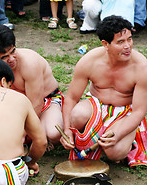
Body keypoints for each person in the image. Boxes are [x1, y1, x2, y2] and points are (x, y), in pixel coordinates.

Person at [61, 15, 147, 167]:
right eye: (120, 42)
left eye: (129, 39)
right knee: (77, 114)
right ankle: (85, 141)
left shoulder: (141, 67)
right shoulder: (90, 61)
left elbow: (139, 111)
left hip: (125, 110)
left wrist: (118, 135)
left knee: (116, 152)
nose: (127, 46)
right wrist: (67, 129)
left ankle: (128, 140)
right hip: (95, 103)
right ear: (106, 44)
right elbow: (71, 98)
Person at [0, 24, 63, 148]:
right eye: (4, 57)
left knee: (53, 133)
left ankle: (40, 134)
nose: (12, 59)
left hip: (46, 102)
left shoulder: (30, 63)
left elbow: (36, 104)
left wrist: (21, 135)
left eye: (13, 51)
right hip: (13, 105)